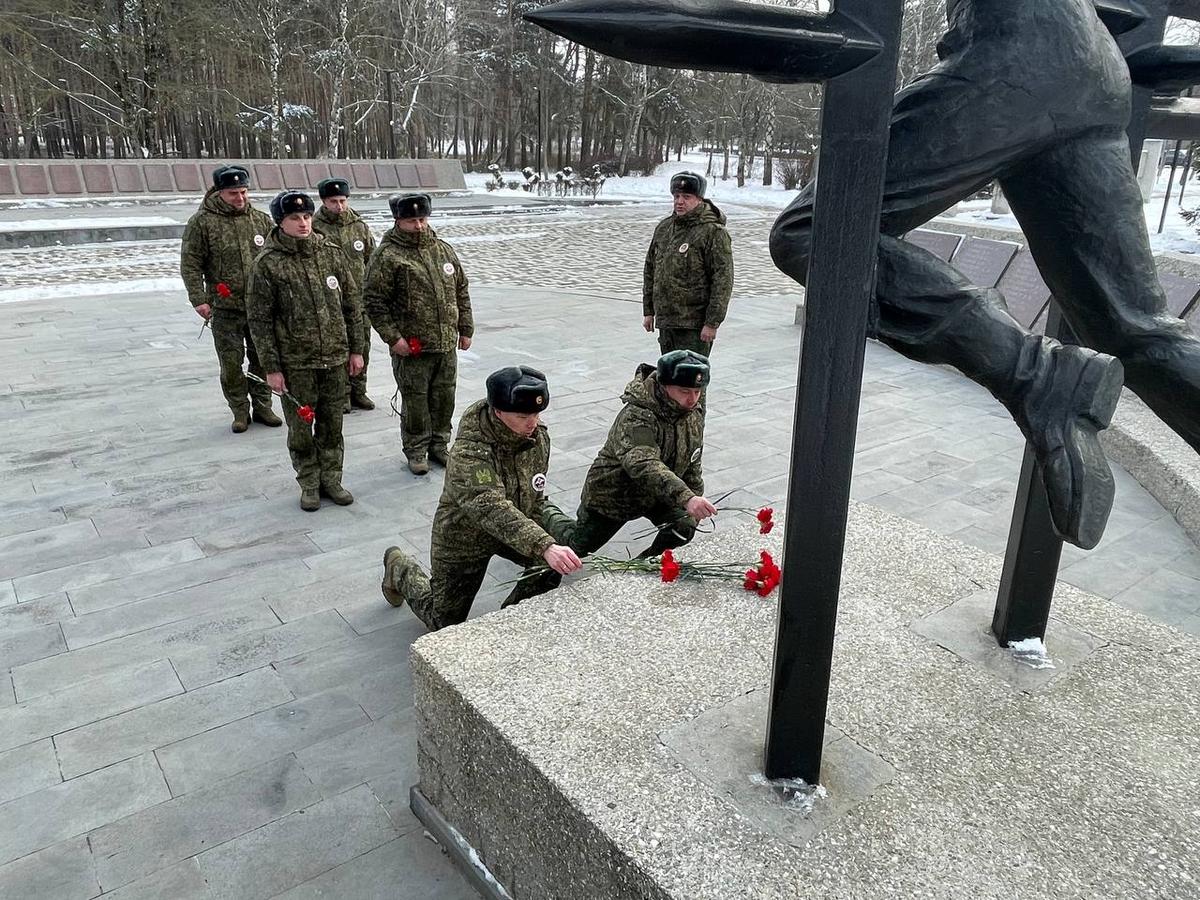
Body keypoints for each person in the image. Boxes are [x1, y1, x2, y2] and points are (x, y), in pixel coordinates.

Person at [769, 0, 1200, 549]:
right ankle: (1042, 379)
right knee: (1135, 325)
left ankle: (1037, 376)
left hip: (1016, 54)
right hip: (1092, 65)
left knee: (815, 232)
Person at [381, 366, 583, 630]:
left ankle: (509, 626)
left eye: (536, 414)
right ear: (498, 412)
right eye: (523, 416)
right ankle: (400, 569)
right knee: (444, 621)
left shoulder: (535, 437)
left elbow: (534, 496)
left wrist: (551, 544)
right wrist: (544, 544)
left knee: (547, 565)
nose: (533, 422)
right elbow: (490, 506)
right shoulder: (470, 451)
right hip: (464, 537)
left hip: (512, 528)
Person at [246, 190, 365, 512]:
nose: (303, 223)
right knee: (300, 430)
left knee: (332, 425)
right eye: (294, 218)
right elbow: (259, 321)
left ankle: (332, 479)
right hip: (296, 363)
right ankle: (309, 482)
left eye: (307, 216)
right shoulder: (268, 264)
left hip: (334, 358)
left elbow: (352, 306)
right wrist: (271, 368)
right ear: (280, 222)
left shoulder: (330, 252)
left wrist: (357, 350)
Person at [549, 350, 718, 559]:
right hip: (615, 496)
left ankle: (642, 567)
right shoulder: (638, 414)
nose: (692, 399)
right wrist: (686, 497)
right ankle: (545, 514)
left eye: (697, 391)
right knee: (576, 548)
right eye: (684, 391)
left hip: (658, 494)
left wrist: (694, 498)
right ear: (664, 385)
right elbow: (643, 463)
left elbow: (693, 459)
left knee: (683, 527)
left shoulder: (692, 412)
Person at [363, 193, 474, 475]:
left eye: (422, 219)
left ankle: (439, 444)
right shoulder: (388, 256)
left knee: (444, 398)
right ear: (398, 221)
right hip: (412, 348)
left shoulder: (443, 250)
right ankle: (416, 449)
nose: (419, 226)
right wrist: (393, 338)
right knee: (415, 402)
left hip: (445, 343)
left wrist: (465, 328)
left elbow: (460, 289)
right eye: (412, 221)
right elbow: (374, 301)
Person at [180, 164, 282, 433]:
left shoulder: (260, 220)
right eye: (233, 193)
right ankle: (239, 409)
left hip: (260, 307)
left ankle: (263, 406)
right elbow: (191, 264)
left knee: (263, 359)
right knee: (231, 362)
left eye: (244, 192)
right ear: (219, 192)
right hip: (225, 307)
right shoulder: (202, 222)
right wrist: (198, 299)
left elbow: (278, 258)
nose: (240, 198)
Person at [642, 171, 734, 359]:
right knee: (669, 379)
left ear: (699, 199)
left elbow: (722, 281)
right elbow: (651, 269)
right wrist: (649, 310)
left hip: (694, 326)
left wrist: (712, 323)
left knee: (691, 381)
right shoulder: (664, 228)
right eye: (676, 196)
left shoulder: (713, 232)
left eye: (686, 197)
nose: (679, 201)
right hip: (667, 322)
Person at [311, 177, 377, 413]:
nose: (339, 206)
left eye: (342, 201)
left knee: (362, 346)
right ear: (323, 201)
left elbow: (372, 258)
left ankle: (359, 390)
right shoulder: (315, 226)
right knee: (340, 349)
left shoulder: (358, 225)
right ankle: (343, 394)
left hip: (359, 299)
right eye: (333, 201)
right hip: (331, 301)